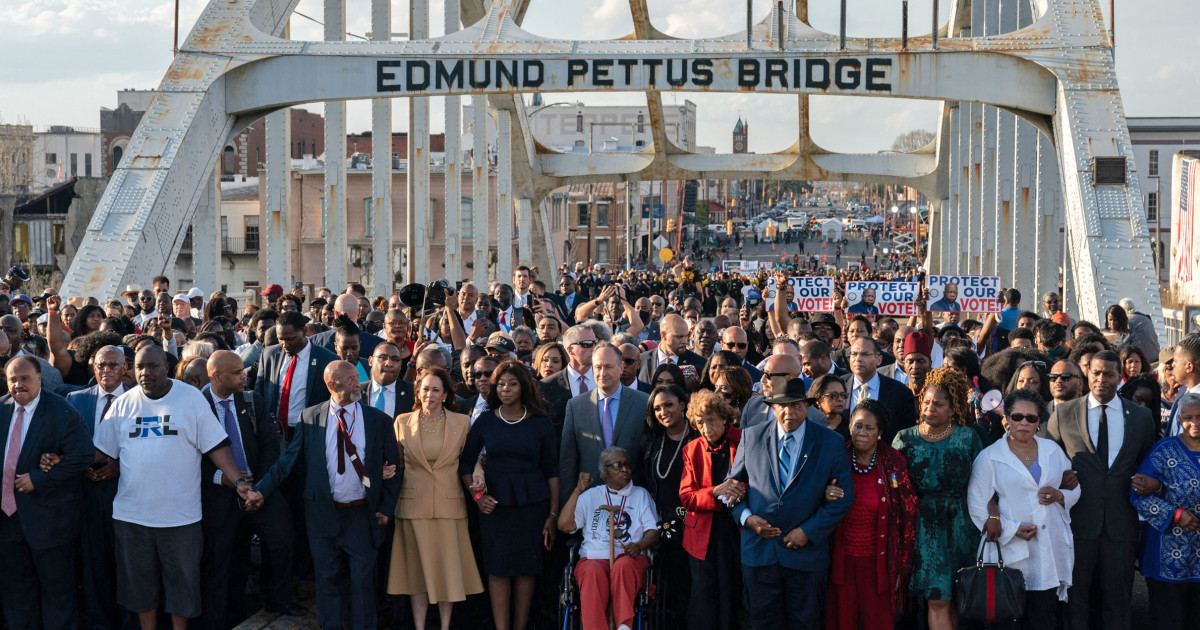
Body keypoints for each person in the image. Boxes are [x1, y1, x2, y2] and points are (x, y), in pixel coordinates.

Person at [93, 346, 255, 630]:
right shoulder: (123, 403)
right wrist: (59, 458)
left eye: (153, 366)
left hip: (181, 518)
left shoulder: (190, 398)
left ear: (167, 367)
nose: (146, 373)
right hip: (132, 518)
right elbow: (99, 450)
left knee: (183, 588)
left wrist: (239, 482)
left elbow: (216, 445)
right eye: (140, 367)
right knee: (141, 589)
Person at [247, 361, 402, 630]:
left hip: (362, 515)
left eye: (357, 378)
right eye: (351, 380)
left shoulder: (378, 420)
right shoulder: (310, 417)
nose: (358, 384)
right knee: (327, 582)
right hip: (322, 514)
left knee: (362, 583)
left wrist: (386, 510)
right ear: (332, 385)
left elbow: (394, 470)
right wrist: (260, 489)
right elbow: (288, 461)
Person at [727, 376, 852, 630]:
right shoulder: (751, 437)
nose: (789, 412)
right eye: (783, 405)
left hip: (805, 557)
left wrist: (808, 531)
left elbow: (843, 498)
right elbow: (730, 489)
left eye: (796, 405)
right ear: (772, 407)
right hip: (759, 554)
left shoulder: (830, 442)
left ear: (807, 406)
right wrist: (747, 519)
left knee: (805, 624)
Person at [1044, 349, 1157, 630]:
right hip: (1077, 523)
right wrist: (1060, 479)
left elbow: (1148, 463)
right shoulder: (1064, 414)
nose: (1101, 379)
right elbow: (1046, 463)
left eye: (1109, 374)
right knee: (1076, 597)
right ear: (1086, 375)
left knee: (1119, 600)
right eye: (1096, 373)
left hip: (1122, 524)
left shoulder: (1141, 418)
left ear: (1120, 377)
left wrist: (1151, 482)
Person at [198, 351, 304, 629]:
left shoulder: (252, 400)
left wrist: (260, 486)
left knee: (282, 539)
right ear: (216, 376)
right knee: (221, 559)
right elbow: (190, 456)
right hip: (220, 495)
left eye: (242, 371)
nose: (243, 376)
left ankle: (277, 599)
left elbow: (271, 445)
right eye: (236, 373)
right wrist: (224, 477)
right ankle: (219, 618)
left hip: (259, 489)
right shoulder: (197, 406)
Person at [459, 360, 559, 630]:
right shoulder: (486, 420)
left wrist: (552, 514)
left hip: (533, 507)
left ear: (523, 386)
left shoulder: (540, 423)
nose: (506, 389)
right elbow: (465, 465)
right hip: (495, 508)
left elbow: (552, 471)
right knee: (498, 570)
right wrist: (478, 498)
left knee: (527, 570)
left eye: (512, 383)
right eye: (501, 384)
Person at [968, 389, 1079, 630]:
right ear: (1006, 419)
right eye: (1017, 417)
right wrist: (1013, 529)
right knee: (1006, 620)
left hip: (1048, 548)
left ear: (1039, 421)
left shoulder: (1052, 450)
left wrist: (1061, 495)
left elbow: (1074, 489)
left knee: (1043, 617)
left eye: (1031, 418)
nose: (1024, 423)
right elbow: (977, 504)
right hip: (1008, 552)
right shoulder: (990, 457)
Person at [0, 356, 93, 630]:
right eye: (12, 379)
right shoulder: (1, 409)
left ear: (40, 378)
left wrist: (39, 479)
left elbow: (83, 454)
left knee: (57, 596)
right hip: (7, 524)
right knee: (17, 595)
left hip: (49, 523)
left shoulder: (60, 411)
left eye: (25, 378)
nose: (18, 384)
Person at [891, 367, 984, 630]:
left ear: (953, 409)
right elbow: (892, 484)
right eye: (926, 401)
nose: (930, 408)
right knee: (937, 596)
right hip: (921, 525)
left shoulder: (967, 438)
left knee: (955, 597)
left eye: (938, 404)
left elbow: (984, 483)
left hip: (962, 524)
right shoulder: (904, 438)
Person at [389, 368, 482, 630]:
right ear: (418, 391)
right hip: (412, 507)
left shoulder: (461, 423)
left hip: (449, 507)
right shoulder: (402, 421)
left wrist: (479, 477)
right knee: (415, 575)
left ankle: (444, 626)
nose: (429, 394)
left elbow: (471, 461)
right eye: (425, 388)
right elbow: (396, 464)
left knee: (447, 573)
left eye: (436, 389)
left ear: (445, 394)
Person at [824, 399, 918, 630]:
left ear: (880, 432)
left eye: (869, 428)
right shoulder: (836, 457)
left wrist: (902, 564)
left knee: (879, 622)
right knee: (841, 621)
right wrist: (825, 494)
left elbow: (909, 513)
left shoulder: (894, 462)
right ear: (849, 428)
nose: (862, 433)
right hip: (840, 561)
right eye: (858, 426)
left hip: (880, 563)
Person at [558, 447, 660, 630]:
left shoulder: (640, 494)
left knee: (623, 566)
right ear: (604, 472)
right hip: (594, 557)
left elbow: (653, 530)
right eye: (617, 465)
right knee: (592, 571)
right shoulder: (590, 495)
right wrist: (577, 490)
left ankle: (623, 627)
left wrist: (639, 545)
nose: (625, 469)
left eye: (627, 465)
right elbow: (564, 526)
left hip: (630, 557)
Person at [63, 345, 128, 629]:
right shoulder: (75, 399)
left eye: (113, 365)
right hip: (86, 498)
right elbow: (64, 443)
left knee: (127, 570)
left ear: (125, 368)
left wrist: (120, 465)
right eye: (101, 365)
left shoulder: (140, 400)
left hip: (127, 497)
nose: (106, 370)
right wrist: (77, 465)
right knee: (93, 569)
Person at [1130, 392, 1200, 630]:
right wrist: (1175, 514)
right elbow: (1137, 493)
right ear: (1180, 419)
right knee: (1169, 619)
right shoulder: (1163, 450)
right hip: (1167, 554)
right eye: (1188, 417)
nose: (1195, 423)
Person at [678, 389, 743, 630]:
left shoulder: (743, 439)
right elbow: (686, 496)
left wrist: (739, 488)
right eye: (700, 423)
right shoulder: (692, 449)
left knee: (731, 592)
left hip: (735, 531)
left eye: (712, 421)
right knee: (703, 596)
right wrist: (715, 492)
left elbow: (755, 479)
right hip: (702, 535)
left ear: (725, 418)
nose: (706, 429)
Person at [559, 343, 651, 492]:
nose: (602, 373)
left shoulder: (643, 403)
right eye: (598, 367)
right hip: (590, 496)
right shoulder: (576, 406)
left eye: (608, 367)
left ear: (620, 368)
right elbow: (567, 462)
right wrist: (568, 503)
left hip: (633, 494)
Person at [639, 384, 696, 622]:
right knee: (668, 582)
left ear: (683, 405)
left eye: (669, 405)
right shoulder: (653, 440)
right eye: (657, 408)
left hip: (692, 520)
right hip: (662, 520)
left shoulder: (697, 438)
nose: (663, 412)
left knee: (689, 583)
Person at [255, 310, 337, 439]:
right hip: (274, 433)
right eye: (280, 339)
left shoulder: (326, 359)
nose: (285, 344)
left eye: (291, 339)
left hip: (309, 432)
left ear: (304, 331)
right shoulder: (269, 355)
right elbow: (259, 394)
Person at [842, 337, 918, 445]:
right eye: (854, 354)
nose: (858, 359)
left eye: (865, 354)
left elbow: (907, 435)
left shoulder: (900, 392)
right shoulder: (838, 386)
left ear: (879, 359)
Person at [636, 314, 705, 383]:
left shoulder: (699, 364)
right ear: (664, 335)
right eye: (679, 337)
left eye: (686, 336)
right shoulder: (641, 361)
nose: (685, 341)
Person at [362, 341, 415, 419]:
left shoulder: (412, 393)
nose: (389, 363)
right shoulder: (357, 391)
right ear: (371, 361)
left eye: (395, 359)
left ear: (400, 365)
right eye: (383, 357)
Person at [809, 374, 851, 441]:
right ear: (818, 399)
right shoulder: (808, 427)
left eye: (843, 395)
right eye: (833, 395)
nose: (840, 399)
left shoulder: (850, 429)